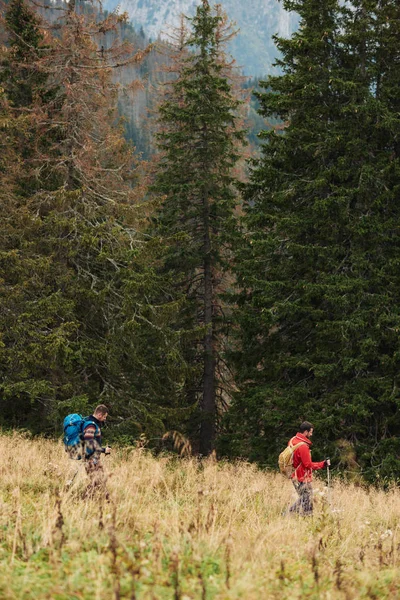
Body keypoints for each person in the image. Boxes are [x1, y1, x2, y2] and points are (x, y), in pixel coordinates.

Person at [287, 421, 330, 516]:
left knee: (304, 498)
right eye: (310, 432)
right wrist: (323, 464)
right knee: (306, 499)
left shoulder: (292, 440)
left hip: (293, 475)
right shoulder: (303, 446)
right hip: (302, 477)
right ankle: (290, 515)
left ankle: (298, 517)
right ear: (305, 432)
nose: (311, 434)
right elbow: (308, 465)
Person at [82, 404, 111, 470]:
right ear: (99, 415)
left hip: (93, 458)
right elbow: (89, 443)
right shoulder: (91, 425)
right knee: (97, 479)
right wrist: (104, 450)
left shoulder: (93, 423)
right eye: (104, 417)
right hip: (91, 459)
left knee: (99, 479)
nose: (105, 419)